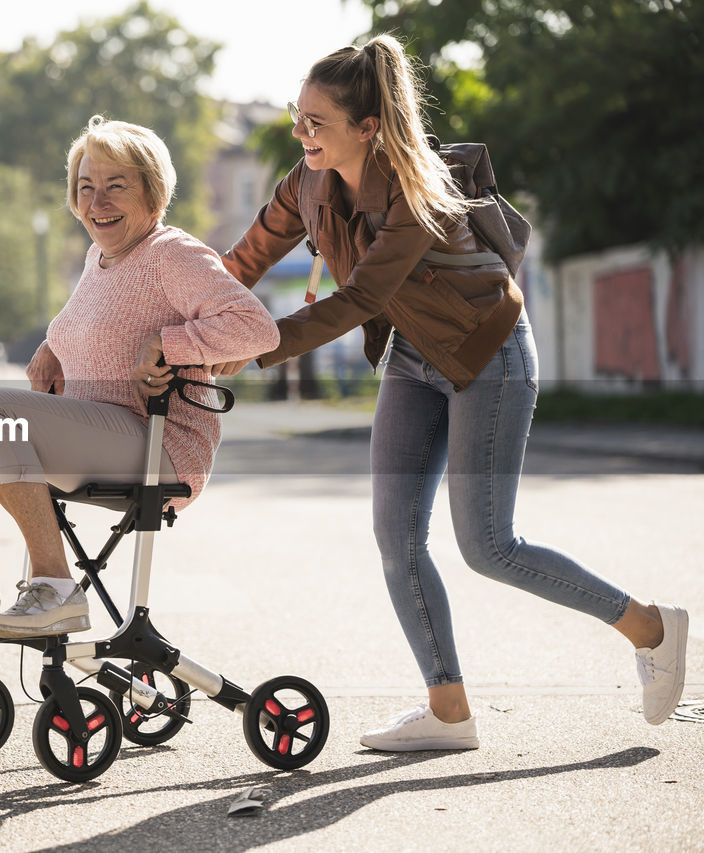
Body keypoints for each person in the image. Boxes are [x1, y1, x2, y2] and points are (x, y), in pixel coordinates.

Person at [212, 35, 689, 750]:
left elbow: (364, 294)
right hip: (413, 358)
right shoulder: (306, 184)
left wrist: (252, 348)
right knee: (396, 536)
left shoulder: (416, 188)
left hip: (489, 354)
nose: (300, 132)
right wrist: (183, 319)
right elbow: (242, 261)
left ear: (367, 127)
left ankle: (650, 625)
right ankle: (449, 711)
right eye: (297, 116)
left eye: (317, 121)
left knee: (489, 545)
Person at [0, 115, 281, 639]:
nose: (97, 203)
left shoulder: (171, 254)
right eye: (86, 188)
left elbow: (257, 328)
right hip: (101, 432)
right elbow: (95, 326)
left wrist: (167, 345)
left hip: (161, 444)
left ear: (153, 193)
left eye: (117, 186)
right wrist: (53, 348)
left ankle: (54, 587)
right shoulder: (99, 257)